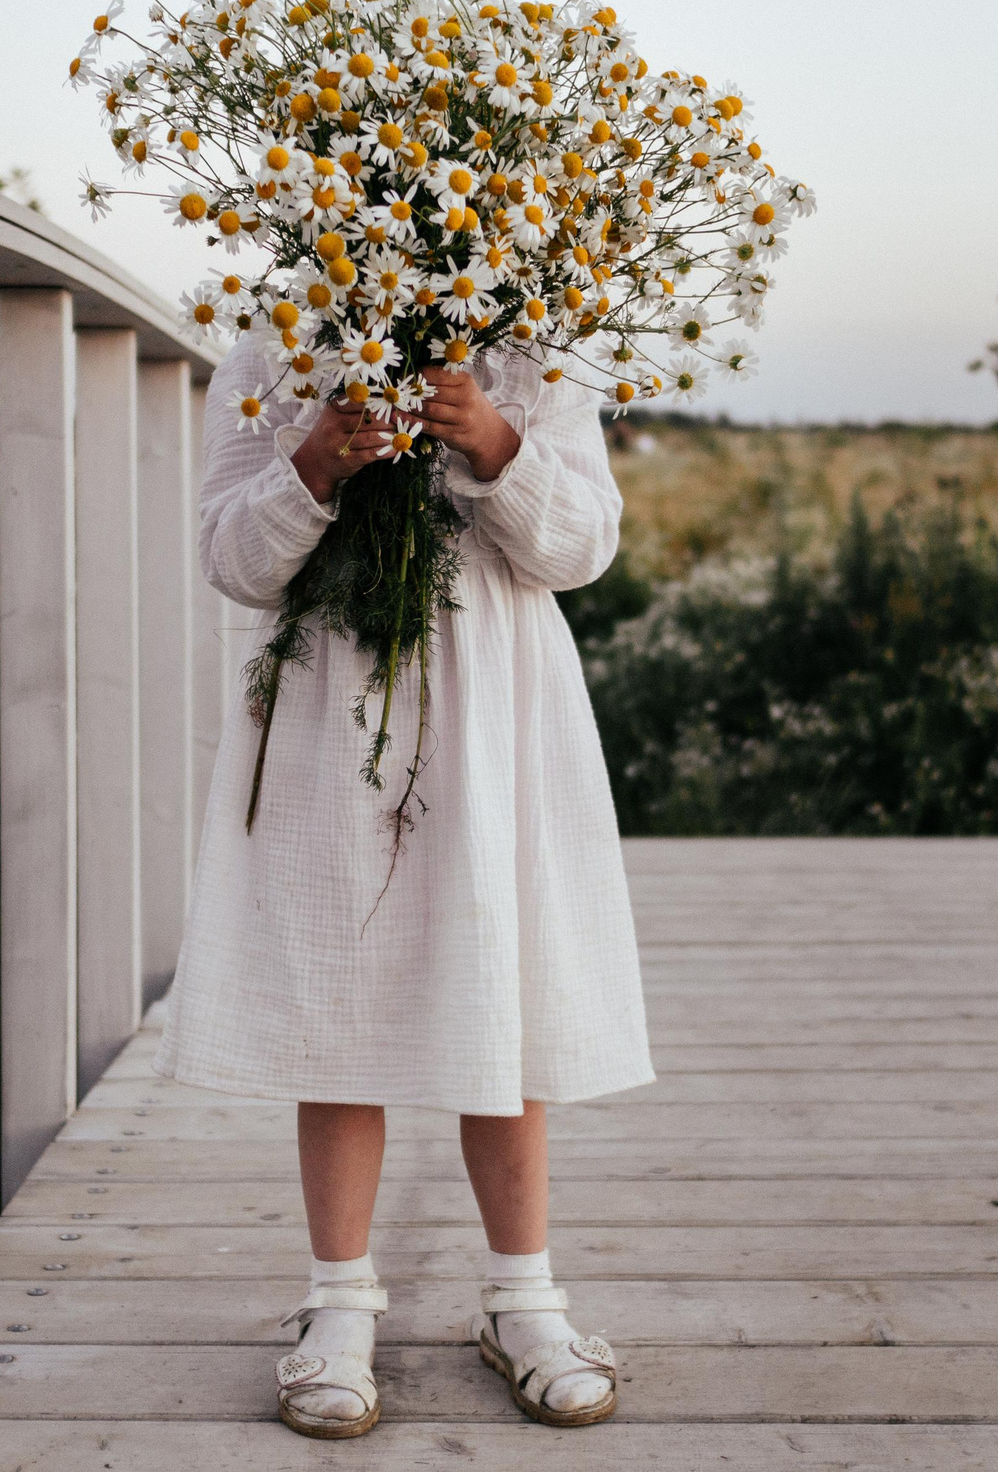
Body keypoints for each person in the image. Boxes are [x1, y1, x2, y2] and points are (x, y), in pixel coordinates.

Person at [154, 342, 653, 1437]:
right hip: (335, 703)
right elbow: (232, 559)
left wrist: (494, 443)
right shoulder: (271, 344)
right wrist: (312, 465)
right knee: (338, 985)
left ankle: (523, 1297)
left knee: (504, 985)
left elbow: (582, 549)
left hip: (496, 707)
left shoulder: (536, 347)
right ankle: (337, 1306)